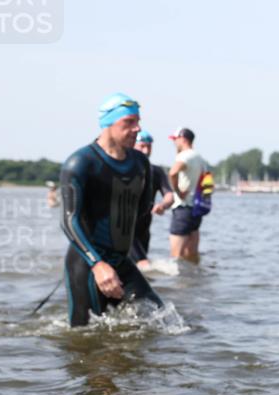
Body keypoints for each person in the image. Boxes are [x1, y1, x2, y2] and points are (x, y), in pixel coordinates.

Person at [60, 93, 163, 327]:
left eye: (138, 122)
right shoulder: (81, 163)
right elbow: (68, 220)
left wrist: (140, 255)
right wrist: (97, 264)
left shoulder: (140, 163)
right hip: (87, 265)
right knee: (84, 340)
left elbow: (142, 215)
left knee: (161, 322)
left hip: (121, 262)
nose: (137, 128)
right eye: (128, 122)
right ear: (107, 123)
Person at [129, 130, 175, 270]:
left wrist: (163, 205)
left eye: (149, 146)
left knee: (140, 269)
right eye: (142, 146)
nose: (146, 150)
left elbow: (169, 195)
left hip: (144, 229)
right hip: (125, 230)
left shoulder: (156, 171)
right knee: (144, 265)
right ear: (132, 145)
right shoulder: (123, 169)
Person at [167, 127, 207, 262]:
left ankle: (178, 282)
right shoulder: (200, 158)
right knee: (192, 255)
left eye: (175, 140)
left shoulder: (185, 156)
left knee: (175, 256)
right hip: (196, 209)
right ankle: (193, 280)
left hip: (183, 208)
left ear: (183, 139)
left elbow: (172, 172)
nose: (174, 143)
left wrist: (178, 191)